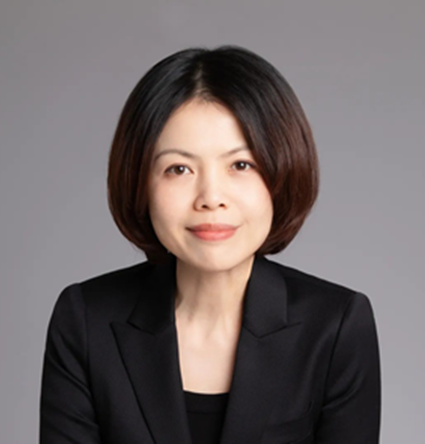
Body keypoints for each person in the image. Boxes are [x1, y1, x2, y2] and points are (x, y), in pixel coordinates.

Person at [39, 45, 381, 444]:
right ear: (139, 182)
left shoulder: (335, 327)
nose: (211, 197)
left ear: (283, 172)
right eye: (179, 168)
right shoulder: (86, 320)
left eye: (241, 165)